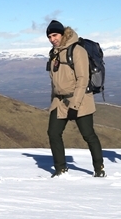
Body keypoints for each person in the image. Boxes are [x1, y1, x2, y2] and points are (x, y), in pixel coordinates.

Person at [45, 20, 105, 178]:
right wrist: (53, 102)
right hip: (59, 101)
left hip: (80, 100)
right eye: (49, 36)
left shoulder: (77, 50)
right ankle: (60, 169)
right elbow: (55, 81)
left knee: (88, 135)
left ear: (63, 33)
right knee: (53, 133)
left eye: (55, 35)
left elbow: (83, 79)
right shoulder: (54, 53)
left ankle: (99, 168)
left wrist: (75, 105)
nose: (52, 39)